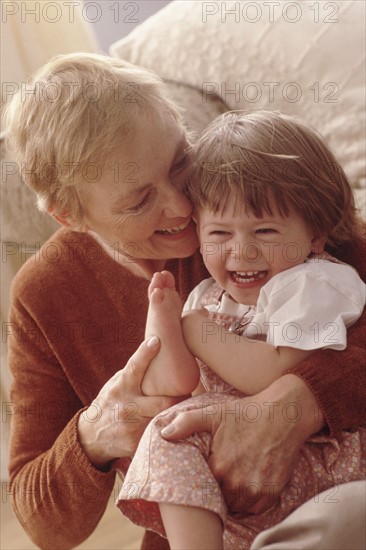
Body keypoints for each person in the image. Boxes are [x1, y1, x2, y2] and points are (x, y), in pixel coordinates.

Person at [3, 51, 365, 550]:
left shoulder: (262, 196)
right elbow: (42, 522)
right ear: (71, 216)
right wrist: (95, 434)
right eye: (139, 201)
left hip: (331, 490)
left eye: (179, 164)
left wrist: (295, 403)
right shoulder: (45, 296)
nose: (182, 205)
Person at [116, 111, 366, 549]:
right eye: (220, 232)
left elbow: (272, 373)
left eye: (266, 230)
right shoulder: (207, 297)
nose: (242, 250)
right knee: (168, 430)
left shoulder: (314, 282)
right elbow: (178, 384)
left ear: (316, 236)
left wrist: (194, 331)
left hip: (314, 457)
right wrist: (165, 323)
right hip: (234, 467)